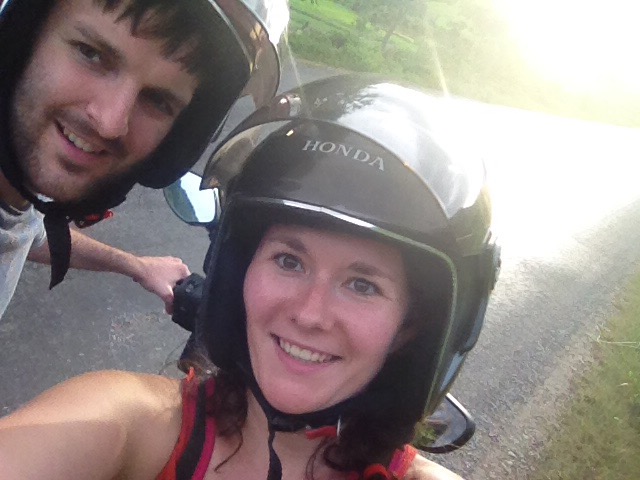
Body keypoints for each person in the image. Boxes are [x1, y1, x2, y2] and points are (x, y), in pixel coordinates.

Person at [0, 75, 500, 479]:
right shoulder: (131, 422)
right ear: (238, 272)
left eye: (362, 285)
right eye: (289, 261)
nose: (309, 314)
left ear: (411, 326)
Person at [0, 0, 287, 318]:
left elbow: (29, 234)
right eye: (91, 54)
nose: (110, 123)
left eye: (157, 100)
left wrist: (135, 266)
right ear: (19, 40)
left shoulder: (14, 198)